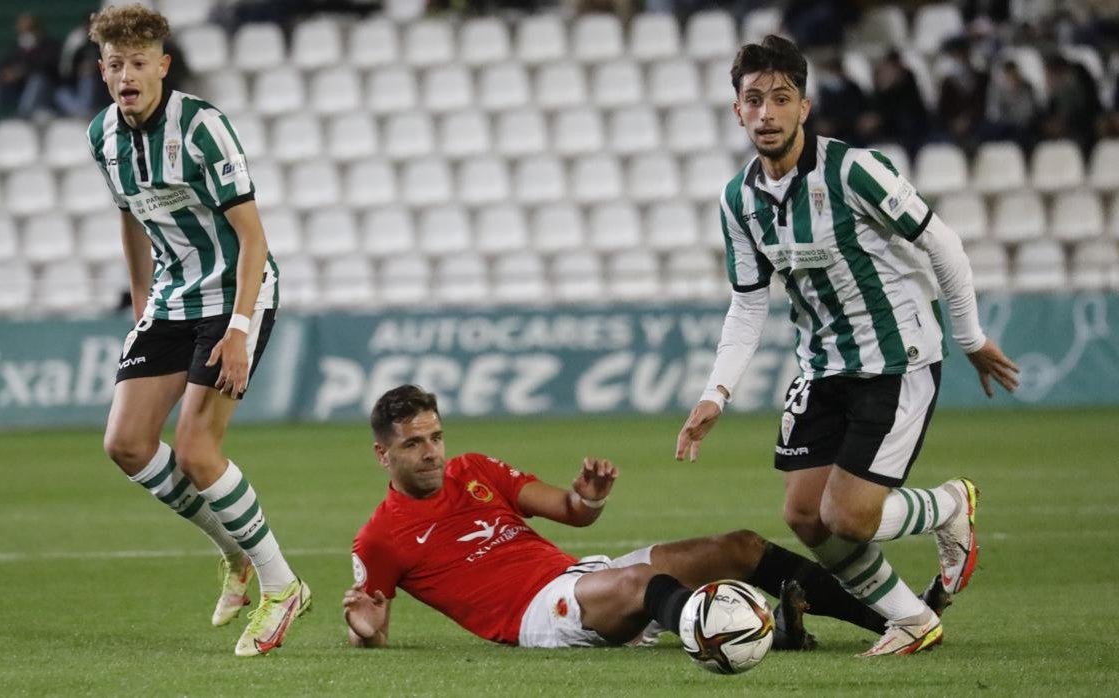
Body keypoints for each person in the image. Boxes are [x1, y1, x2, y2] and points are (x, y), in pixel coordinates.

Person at [674, 36, 1020, 657]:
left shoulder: (853, 171)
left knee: (850, 518)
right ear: (737, 111)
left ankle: (947, 506)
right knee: (806, 516)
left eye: (781, 99)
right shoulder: (738, 200)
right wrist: (715, 393)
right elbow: (749, 302)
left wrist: (968, 336)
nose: (767, 113)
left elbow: (943, 245)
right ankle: (912, 619)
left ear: (804, 107)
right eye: (754, 100)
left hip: (897, 360)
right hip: (822, 365)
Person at [343, 385, 951, 650]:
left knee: (738, 546)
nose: (431, 452)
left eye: (435, 437)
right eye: (413, 445)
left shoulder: (473, 469)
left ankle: (894, 619)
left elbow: (573, 514)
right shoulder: (379, 538)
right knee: (639, 586)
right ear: (382, 454)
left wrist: (589, 496)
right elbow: (373, 624)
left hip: (580, 574)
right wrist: (366, 631)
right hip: (539, 617)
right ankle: (727, 635)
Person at [85, 4, 306, 658]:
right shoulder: (102, 136)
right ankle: (234, 554)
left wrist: (238, 330)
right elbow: (129, 220)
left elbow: (252, 237)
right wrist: (139, 307)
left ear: (163, 65)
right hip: (172, 298)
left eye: (139, 62)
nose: (128, 74)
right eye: (116, 64)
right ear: (103, 71)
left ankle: (281, 584)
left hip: (234, 291)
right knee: (125, 442)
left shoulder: (203, 128)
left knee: (196, 451)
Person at [0, 13, 61, 136]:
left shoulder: (50, 45)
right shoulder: (16, 47)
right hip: (18, 91)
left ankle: (22, 116)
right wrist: (5, 74)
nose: (24, 33)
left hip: (45, 93)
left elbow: (48, 68)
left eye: (28, 29)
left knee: (37, 80)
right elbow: (1, 66)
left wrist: (22, 72)